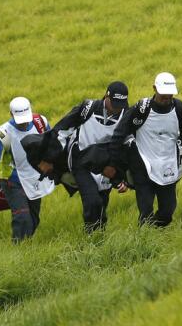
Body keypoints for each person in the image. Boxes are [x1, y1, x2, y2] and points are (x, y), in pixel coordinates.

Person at [110, 73, 182, 228]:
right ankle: (143, 240)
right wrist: (117, 173)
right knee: (145, 211)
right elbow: (119, 136)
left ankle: (155, 232)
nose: (167, 98)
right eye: (163, 95)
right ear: (154, 89)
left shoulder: (181, 110)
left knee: (167, 212)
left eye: (170, 94)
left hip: (168, 166)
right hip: (142, 166)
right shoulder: (141, 109)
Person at [52, 81, 130, 233]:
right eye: (114, 104)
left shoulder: (126, 115)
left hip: (105, 166)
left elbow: (127, 148)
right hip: (81, 161)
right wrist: (52, 156)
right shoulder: (88, 108)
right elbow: (61, 129)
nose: (116, 108)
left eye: (120, 105)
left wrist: (122, 177)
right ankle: (90, 235)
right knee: (92, 201)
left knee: (101, 204)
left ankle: (98, 237)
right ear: (106, 97)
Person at [0, 96, 57, 242]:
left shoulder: (40, 122)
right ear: (11, 114)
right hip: (12, 182)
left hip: (34, 179)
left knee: (33, 220)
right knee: (22, 217)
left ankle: (26, 248)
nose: (24, 123)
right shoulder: (3, 134)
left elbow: (53, 145)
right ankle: (18, 249)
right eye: (20, 120)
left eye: (26, 118)